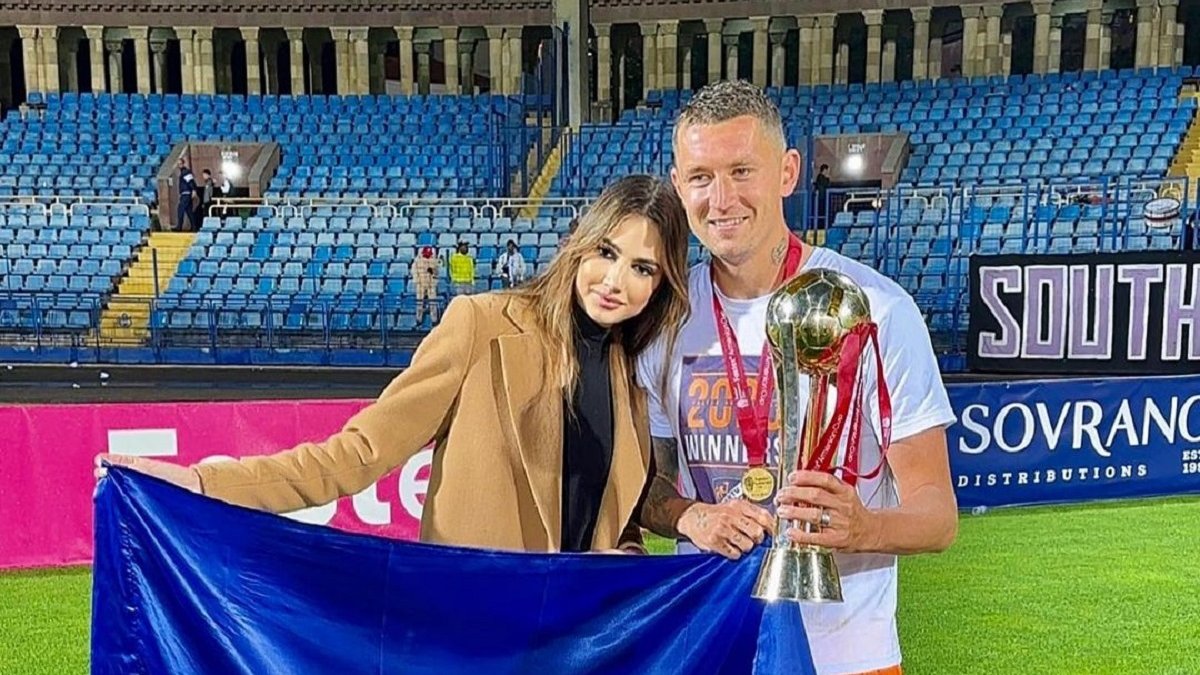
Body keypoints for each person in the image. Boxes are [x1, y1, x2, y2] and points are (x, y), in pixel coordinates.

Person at [96, 174, 692, 555]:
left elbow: (616, 516)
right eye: (607, 252)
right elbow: (358, 454)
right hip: (472, 637)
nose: (616, 280)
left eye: (642, 268)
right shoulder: (482, 324)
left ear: (661, 286)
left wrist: (631, 556)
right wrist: (202, 484)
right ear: (579, 245)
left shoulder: (631, 376)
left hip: (581, 642)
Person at [633, 81, 958, 675]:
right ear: (678, 186)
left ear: (787, 172)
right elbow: (642, 489)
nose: (722, 198)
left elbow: (937, 515)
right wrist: (689, 516)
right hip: (714, 645)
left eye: (742, 171)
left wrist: (864, 527)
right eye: (701, 177)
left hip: (847, 656)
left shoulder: (876, 309)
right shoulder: (664, 320)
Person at [412, 246, 441, 325]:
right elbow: (414, 273)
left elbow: (436, 274)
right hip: (420, 284)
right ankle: (418, 319)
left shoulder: (434, 261)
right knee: (419, 302)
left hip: (431, 285)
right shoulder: (417, 261)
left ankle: (434, 320)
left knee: (433, 302)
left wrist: (433, 281)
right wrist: (418, 282)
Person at [175, 157, 197, 232]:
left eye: (180, 164)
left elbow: (191, 182)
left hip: (186, 194)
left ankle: (179, 227)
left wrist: (194, 190)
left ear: (183, 163)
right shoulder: (183, 172)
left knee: (180, 209)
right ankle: (194, 227)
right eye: (178, 164)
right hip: (186, 194)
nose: (179, 165)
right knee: (189, 211)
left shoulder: (185, 172)